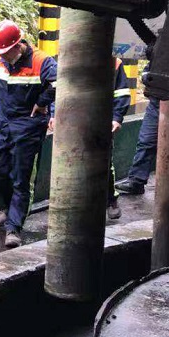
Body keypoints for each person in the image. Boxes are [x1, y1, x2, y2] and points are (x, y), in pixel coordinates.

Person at [0, 20, 57, 249]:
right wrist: (0, 97)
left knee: (22, 177)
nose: (1, 56)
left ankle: (13, 227)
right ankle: (8, 205)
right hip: (3, 123)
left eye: (5, 52)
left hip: (28, 125)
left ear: (18, 45)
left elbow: (59, 83)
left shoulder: (41, 61)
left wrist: (42, 103)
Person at [49, 57, 131, 219]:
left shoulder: (114, 62)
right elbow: (57, 90)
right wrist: (54, 114)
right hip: (73, 120)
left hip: (100, 119)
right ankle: (75, 201)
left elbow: (121, 92)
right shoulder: (68, 58)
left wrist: (117, 117)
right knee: (71, 160)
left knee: (104, 161)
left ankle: (110, 199)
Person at [115, 43, 169, 195]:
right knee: (146, 141)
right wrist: (148, 77)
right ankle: (136, 181)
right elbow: (148, 71)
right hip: (157, 102)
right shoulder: (163, 49)